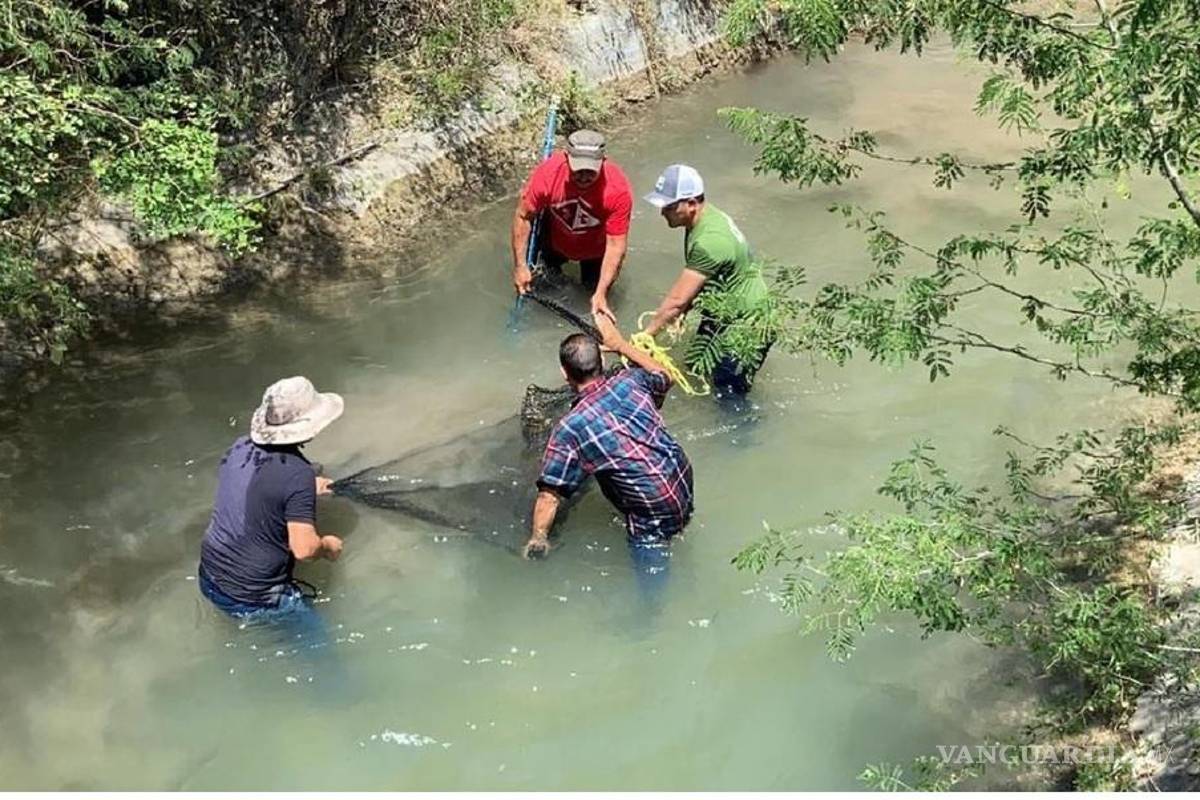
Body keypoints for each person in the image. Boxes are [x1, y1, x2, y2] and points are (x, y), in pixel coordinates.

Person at [523, 314, 694, 566]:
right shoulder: (631, 380)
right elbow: (664, 375)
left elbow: (550, 495)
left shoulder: (569, 429)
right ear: (602, 359)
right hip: (680, 479)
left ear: (564, 373)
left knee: (651, 574)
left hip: (652, 507)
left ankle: (652, 603)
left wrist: (538, 538)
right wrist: (621, 345)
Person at [198, 375, 345, 618]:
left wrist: (307, 486)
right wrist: (328, 545)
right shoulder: (298, 474)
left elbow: (254, 491)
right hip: (256, 597)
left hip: (210, 577)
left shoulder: (239, 447)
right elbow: (304, 550)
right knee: (326, 655)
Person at [641, 164, 775, 396]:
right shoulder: (706, 219)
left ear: (692, 204)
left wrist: (646, 337)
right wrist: (682, 312)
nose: (663, 212)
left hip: (746, 326)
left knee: (728, 394)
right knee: (696, 365)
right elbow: (702, 283)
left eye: (669, 207)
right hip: (725, 310)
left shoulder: (710, 241)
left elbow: (676, 300)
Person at [511, 129, 633, 322]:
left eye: (590, 171)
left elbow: (616, 245)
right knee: (543, 283)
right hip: (554, 239)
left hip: (595, 250)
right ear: (566, 158)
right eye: (578, 170)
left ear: (604, 160)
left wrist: (601, 292)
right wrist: (520, 266)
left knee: (593, 297)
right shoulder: (548, 174)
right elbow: (523, 216)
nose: (584, 177)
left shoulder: (617, 190)